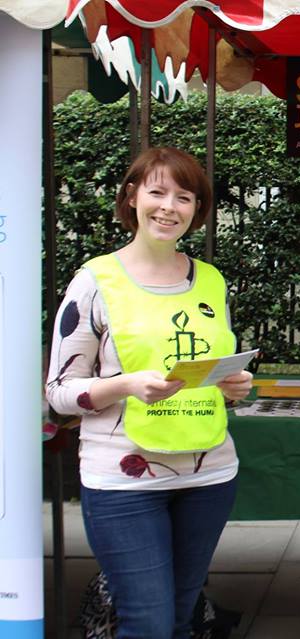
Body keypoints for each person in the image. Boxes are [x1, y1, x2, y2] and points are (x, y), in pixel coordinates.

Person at [46, 147, 253, 638]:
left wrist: (233, 386)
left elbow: (207, 373)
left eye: (185, 197)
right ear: (132, 195)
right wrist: (127, 385)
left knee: (181, 621)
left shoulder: (210, 281)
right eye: (157, 191)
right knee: (150, 624)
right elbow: (58, 391)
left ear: (197, 210)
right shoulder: (95, 282)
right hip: (123, 480)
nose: (169, 207)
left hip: (209, 474)